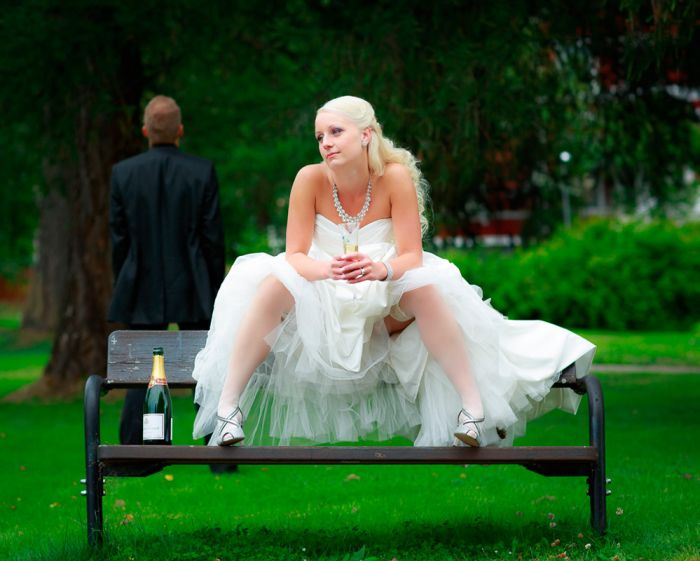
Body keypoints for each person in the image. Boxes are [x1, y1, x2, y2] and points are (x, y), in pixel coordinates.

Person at [191, 95, 595, 449]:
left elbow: (412, 255)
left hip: (381, 304)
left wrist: (380, 268)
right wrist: (326, 268)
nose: (325, 142)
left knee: (426, 288)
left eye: (335, 132)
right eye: (320, 136)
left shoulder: (394, 177)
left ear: (366, 134)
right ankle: (228, 411)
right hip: (323, 300)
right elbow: (295, 255)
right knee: (272, 282)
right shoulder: (309, 179)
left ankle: (472, 410)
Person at [108, 95, 227, 454]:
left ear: (145, 131)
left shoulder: (123, 173)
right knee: (207, 367)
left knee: (139, 368)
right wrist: (215, 289)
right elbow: (212, 238)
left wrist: (124, 279)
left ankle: (134, 447)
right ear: (180, 130)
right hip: (194, 281)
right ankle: (219, 451)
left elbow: (119, 238)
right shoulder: (201, 171)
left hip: (140, 280)